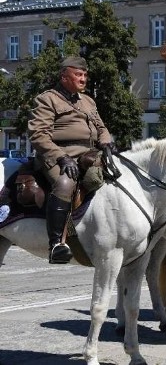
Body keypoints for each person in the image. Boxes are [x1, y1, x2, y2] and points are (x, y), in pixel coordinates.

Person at [28, 56, 114, 264]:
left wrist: (106, 143)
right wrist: (61, 157)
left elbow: (101, 128)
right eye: (78, 74)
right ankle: (57, 244)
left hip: (90, 153)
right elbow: (38, 135)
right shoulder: (48, 99)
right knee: (65, 183)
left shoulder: (88, 100)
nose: (83, 79)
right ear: (64, 76)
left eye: (85, 75)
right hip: (59, 154)